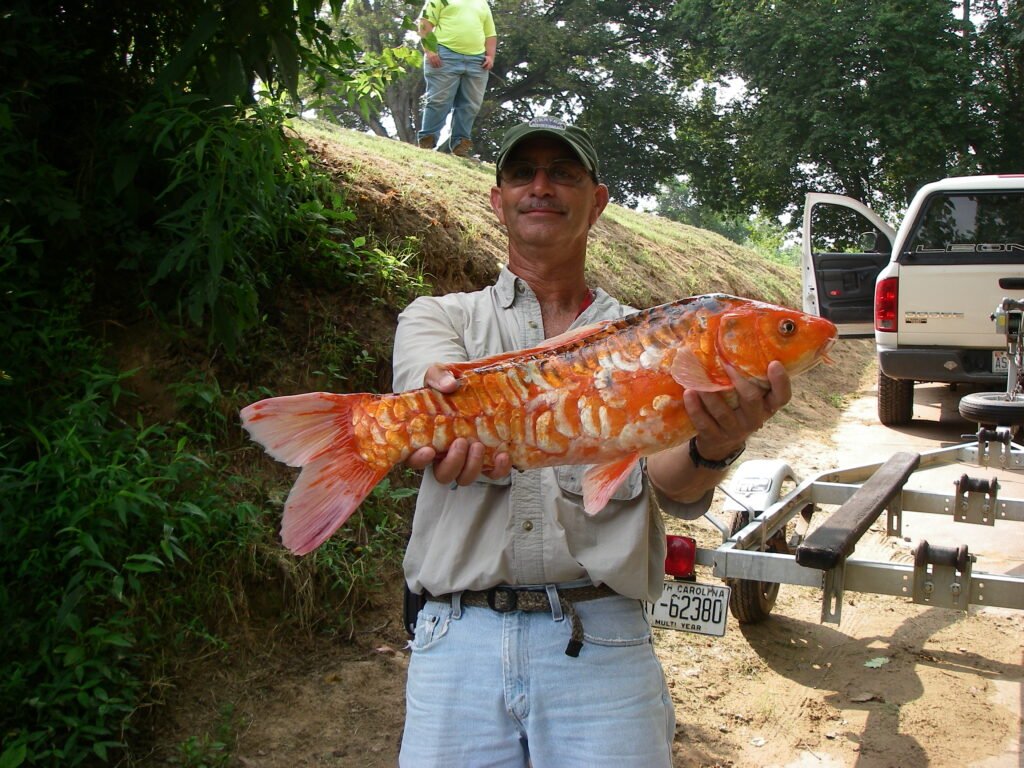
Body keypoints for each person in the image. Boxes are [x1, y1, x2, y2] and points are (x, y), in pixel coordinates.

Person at [392, 116, 793, 767]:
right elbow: (426, 395)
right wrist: (428, 427)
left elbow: (673, 480)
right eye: (523, 174)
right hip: (455, 642)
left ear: (597, 200)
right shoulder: (437, 318)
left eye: (564, 174)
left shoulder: (653, 341)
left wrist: (715, 445)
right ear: (498, 201)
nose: (541, 187)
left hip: (602, 646)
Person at [416, 0, 497, 157]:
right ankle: (427, 140)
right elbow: (424, 23)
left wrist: (491, 56)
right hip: (444, 54)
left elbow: (490, 34)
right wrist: (430, 51)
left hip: (477, 60)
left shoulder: (482, 3)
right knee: (439, 100)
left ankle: (461, 144)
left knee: (471, 104)